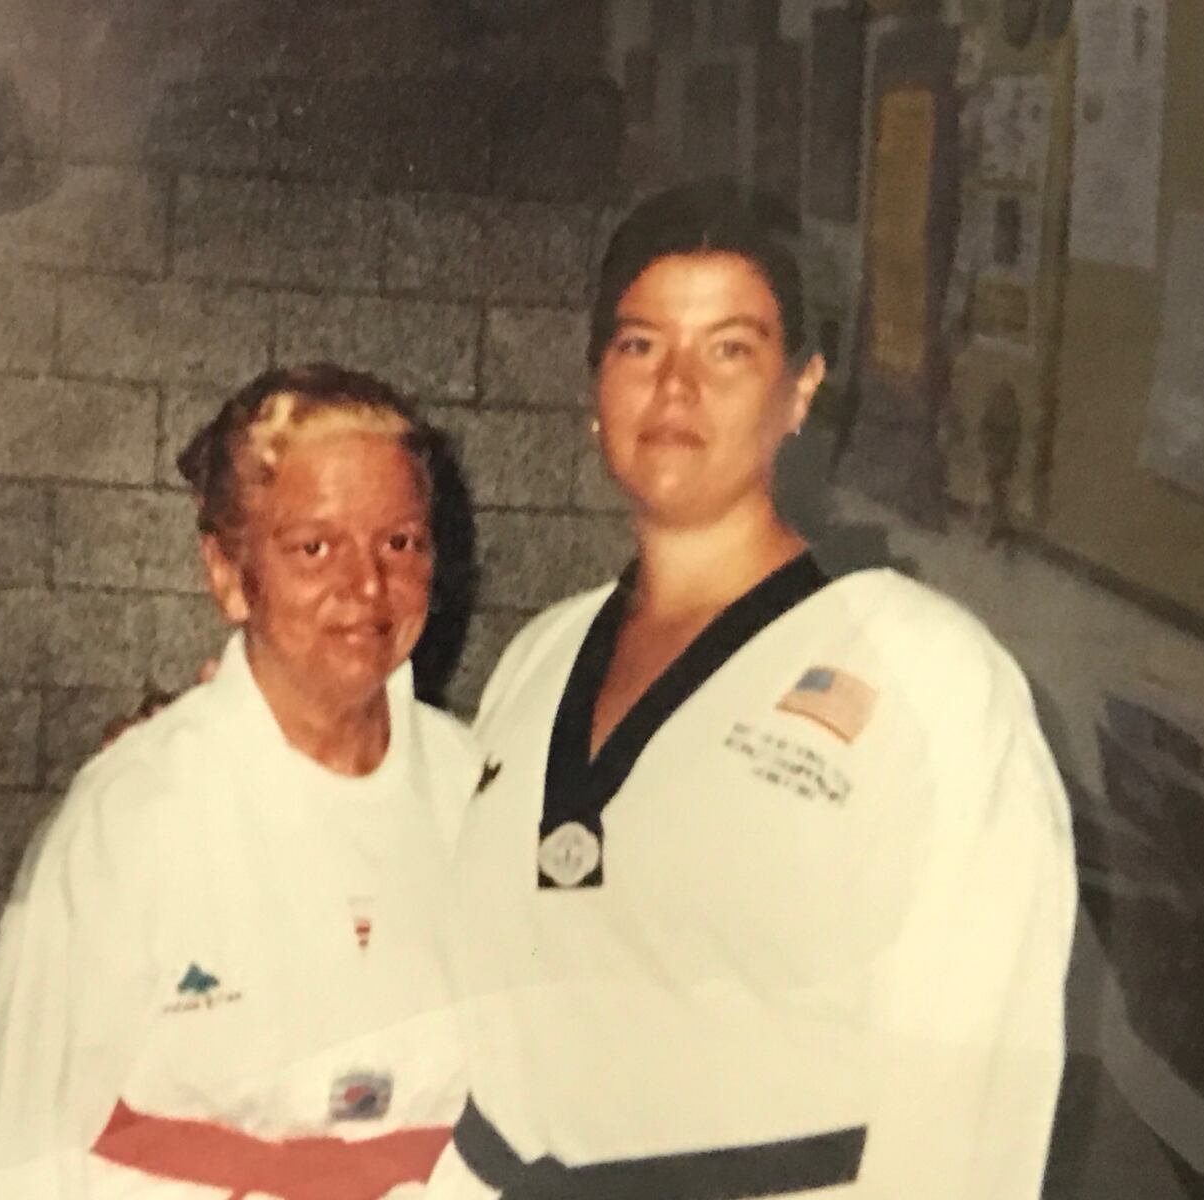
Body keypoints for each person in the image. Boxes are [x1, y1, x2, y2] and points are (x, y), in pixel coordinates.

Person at [421, 183, 1078, 1198]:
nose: (674, 389)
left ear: (801, 390)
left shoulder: (930, 676)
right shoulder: (541, 658)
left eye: (728, 348)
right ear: (596, 381)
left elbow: (974, 1089)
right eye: (639, 346)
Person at [0, 364, 483, 1200]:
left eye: (402, 542)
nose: (366, 586)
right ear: (228, 572)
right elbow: (21, 1152)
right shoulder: (130, 815)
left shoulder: (478, 794)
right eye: (315, 547)